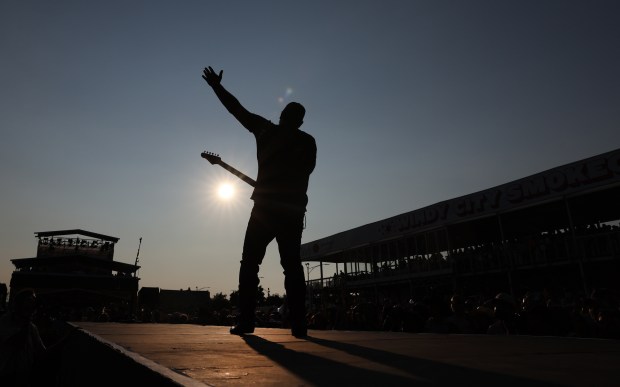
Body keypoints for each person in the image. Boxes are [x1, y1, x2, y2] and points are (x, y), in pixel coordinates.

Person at [202, 66, 317, 337]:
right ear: (299, 122)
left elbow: (237, 110)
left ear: (283, 117)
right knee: (291, 265)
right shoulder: (307, 141)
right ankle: (299, 324)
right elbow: (305, 173)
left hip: (266, 210)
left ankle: (246, 321)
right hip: (290, 210)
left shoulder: (266, 130)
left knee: (250, 264)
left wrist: (216, 87)